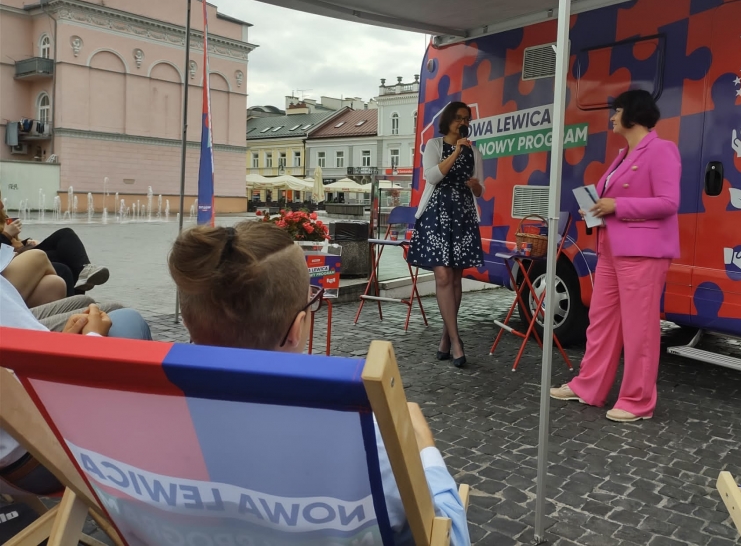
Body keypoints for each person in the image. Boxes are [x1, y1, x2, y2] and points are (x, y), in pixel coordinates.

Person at [168, 221, 471, 546]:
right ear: (297, 328)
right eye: (310, 301)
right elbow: (448, 537)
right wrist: (425, 450)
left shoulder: (156, 423)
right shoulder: (370, 443)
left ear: (188, 321)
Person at [550, 89, 681, 422]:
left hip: (643, 253)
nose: (611, 116)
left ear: (633, 114)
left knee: (640, 329)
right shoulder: (623, 154)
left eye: (617, 110)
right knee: (601, 322)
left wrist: (617, 206)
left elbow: (668, 203)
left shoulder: (662, 150)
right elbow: (611, 200)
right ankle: (588, 386)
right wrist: (597, 209)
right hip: (611, 249)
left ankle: (637, 401)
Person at [0, 243, 152, 495]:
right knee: (128, 320)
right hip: (39, 457)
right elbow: (37, 390)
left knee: (97, 311)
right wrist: (93, 339)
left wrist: (64, 343)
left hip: (15, 459)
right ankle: (140, 464)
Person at [407, 101, 484, 368]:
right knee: (442, 276)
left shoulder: (475, 152)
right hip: (436, 214)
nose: (463, 122)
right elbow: (432, 177)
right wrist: (457, 151)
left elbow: (480, 190)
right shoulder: (434, 145)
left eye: (466, 118)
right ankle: (456, 341)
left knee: (455, 279)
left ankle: (445, 338)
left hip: (462, 215)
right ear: (448, 120)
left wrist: (476, 186)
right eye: (458, 118)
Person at [0, 199, 109, 295]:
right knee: (63, 268)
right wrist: (6, 235)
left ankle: (84, 270)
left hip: (16, 257)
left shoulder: (3, 217)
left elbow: (8, 246)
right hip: (7, 266)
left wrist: (25, 243)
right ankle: (74, 302)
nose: (2, 204)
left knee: (65, 236)